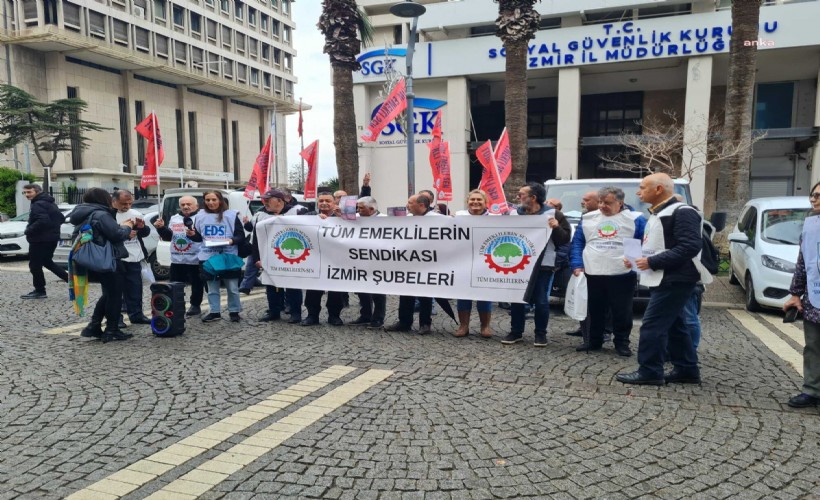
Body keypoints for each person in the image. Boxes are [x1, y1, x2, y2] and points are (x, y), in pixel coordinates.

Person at [617, 173, 704, 385]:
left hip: (674, 278)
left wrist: (652, 262)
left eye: (643, 187)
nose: (638, 192)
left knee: (652, 326)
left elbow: (690, 246)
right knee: (676, 325)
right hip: (666, 277)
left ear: (658, 189)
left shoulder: (682, 212)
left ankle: (650, 371)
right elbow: (658, 245)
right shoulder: (661, 212)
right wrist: (638, 259)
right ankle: (686, 369)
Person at [570, 187, 646, 356]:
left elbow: (642, 241)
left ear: (620, 203)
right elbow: (578, 242)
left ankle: (622, 342)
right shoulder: (588, 218)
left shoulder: (635, 219)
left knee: (622, 311)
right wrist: (576, 264)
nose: (602, 206)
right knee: (595, 309)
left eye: (607, 203)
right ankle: (594, 341)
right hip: (593, 270)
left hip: (622, 273)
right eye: (600, 202)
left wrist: (635, 260)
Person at [501, 183, 571, 346]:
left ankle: (540, 334)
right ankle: (516, 331)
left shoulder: (554, 214)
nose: (518, 198)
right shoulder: (513, 215)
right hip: (517, 264)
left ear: (533, 198)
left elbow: (565, 239)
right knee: (517, 298)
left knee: (541, 300)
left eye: (521, 195)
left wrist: (556, 228)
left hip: (543, 264)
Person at [72, 188, 135, 342]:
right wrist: (127, 227)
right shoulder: (101, 214)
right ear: (103, 199)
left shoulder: (85, 212)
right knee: (114, 295)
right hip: (109, 259)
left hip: (96, 258)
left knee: (109, 294)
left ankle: (93, 326)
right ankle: (111, 330)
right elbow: (116, 235)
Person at [782, 181, 820, 408]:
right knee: (813, 346)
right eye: (812, 195)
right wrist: (795, 294)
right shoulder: (810, 225)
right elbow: (803, 262)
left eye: (818, 196)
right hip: (815, 299)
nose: (813, 199)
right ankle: (812, 390)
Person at [385, 193, 443, 334]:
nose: (407, 205)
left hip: (428, 263)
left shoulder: (438, 219)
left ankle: (425, 323)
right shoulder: (406, 219)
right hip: (408, 262)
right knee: (405, 294)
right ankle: (404, 322)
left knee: (425, 295)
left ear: (421, 205)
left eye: (410, 203)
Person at [190, 191, 246, 323]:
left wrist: (231, 241)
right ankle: (214, 311)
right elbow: (198, 237)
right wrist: (191, 234)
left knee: (232, 287)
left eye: (214, 199)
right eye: (208, 200)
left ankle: (234, 311)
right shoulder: (200, 216)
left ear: (220, 200)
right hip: (208, 256)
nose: (211, 203)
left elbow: (240, 236)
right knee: (212, 288)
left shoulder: (232, 215)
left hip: (228, 255)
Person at [251, 188, 303, 324]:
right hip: (270, 257)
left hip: (293, 256)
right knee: (271, 286)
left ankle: (295, 313)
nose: (265, 202)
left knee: (293, 286)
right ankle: (274, 311)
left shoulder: (298, 211)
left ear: (279, 201)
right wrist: (257, 258)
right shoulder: (261, 215)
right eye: (264, 200)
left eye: (268, 200)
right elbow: (256, 238)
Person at [153, 196, 204, 317]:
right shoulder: (174, 218)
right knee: (175, 285)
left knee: (197, 284)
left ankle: (195, 305)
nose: (186, 207)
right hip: (177, 258)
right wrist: (161, 229)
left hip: (195, 257)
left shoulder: (201, 217)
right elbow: (168, 237)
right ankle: (177, 304)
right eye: (183, 204)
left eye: (189, 204)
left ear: (196, 206)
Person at [453, 189, 494, 338]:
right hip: (463, 261)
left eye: (479, 200)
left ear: (485, 202)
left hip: (485, 263)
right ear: (467, 202)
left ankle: (485, 326)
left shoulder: (495, 218)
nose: (475, 202)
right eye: (472, 200)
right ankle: (463, 326)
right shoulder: (458, 216)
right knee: (463, 294)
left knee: (484, 294)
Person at [301, 192, 345, 326]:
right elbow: (300, 224)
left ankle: (334, 316)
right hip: (316, 260)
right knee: (313, 290)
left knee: (336, 291)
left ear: (334, 203)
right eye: (321, 201)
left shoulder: (343, 217)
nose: (324, 203)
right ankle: (312, 316)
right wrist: (315, 219)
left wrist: (341, 217)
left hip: (336, 260)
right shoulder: (310, 216)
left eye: (328, 200)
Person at [112, 190, 153, 327]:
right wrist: (124, 233)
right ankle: (116, 318)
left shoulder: (135, 214)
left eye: (130, 203)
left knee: (135, 288)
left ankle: (136, 314)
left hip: (135, 256)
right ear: (114, 201)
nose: (127, 206)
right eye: (124, 203)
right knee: (116, 289)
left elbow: (145, 233)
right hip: (117, 256)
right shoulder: (109, 215)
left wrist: (142, 228)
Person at [20, 183, 68, 299]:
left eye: (29, 192)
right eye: (25, 192)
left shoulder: (38, 204)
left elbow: (43, 221)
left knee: (35, 265)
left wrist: (28, 230)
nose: (26, 195)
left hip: (40, 240)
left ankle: (40, 290)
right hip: (51, 238)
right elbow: (61, 218)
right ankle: (71, 280)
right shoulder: (50, 203)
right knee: (47, 262)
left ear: (37, 192)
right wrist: (52, 230)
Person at [565, 191, 600, 338]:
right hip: (584, 266)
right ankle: (585, 329)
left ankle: (605, 332)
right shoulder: (585, 218)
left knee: (601, 303)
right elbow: (577, 243)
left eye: (586, 200)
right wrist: (577, 263)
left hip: (603, 268)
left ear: (599, 202)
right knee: (582, 298)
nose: (582, 202)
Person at [348, 196, 387, 329]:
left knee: (378, 291)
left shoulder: (386, 219)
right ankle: (365, 315)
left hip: (378, 260)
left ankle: (378, 318)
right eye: (357, 207)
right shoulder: (357, 218)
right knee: (362, 289)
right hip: (360, 259)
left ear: (371, 209)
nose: (358, 210)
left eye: (361, 207)